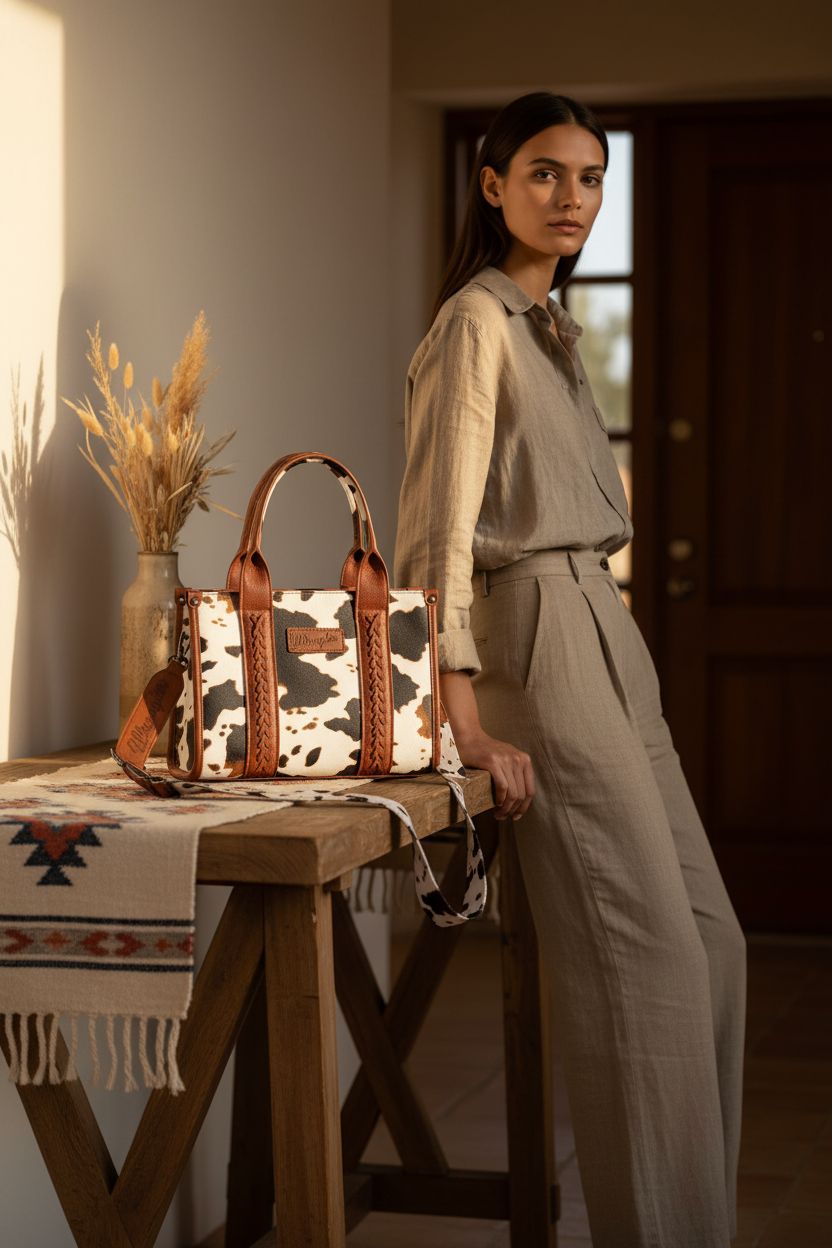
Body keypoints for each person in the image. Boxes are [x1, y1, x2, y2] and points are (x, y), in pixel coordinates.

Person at [393, 91, 747, 1248]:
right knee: (646, 966)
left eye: (590, 178)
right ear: (492, 184)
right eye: (544, 173)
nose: (572, 198)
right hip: (534, 638)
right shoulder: (475, 323)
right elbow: (437, 535)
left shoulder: (551, 326)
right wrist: (462, 722)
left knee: (715, 949)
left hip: (607, 631)